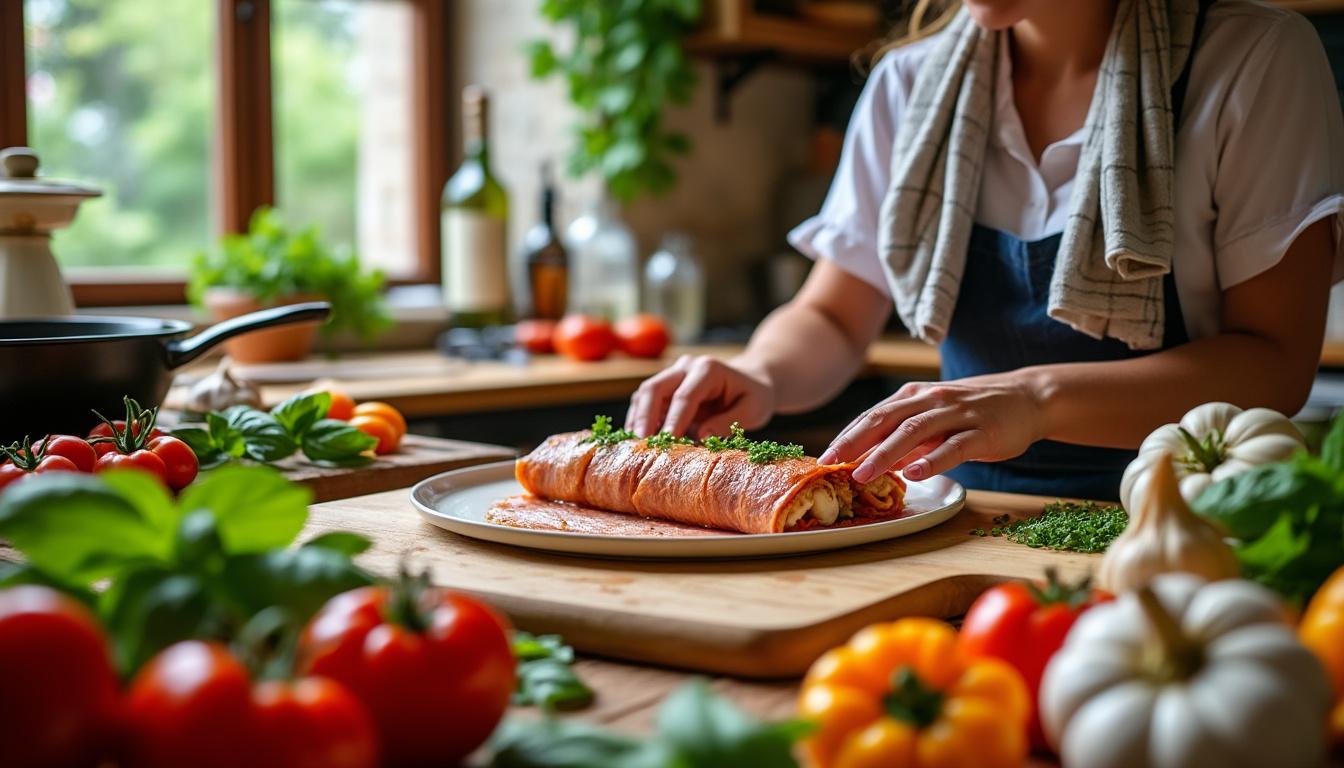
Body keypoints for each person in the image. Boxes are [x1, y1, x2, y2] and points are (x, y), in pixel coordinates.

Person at [625, 0, 1344, 499]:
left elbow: (1274, 364)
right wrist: (761, 374)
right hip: (957, 521)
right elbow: (837, 316)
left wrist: (1036, 399)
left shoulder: (1251, 61)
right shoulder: (907, 87)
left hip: (1181, 527)